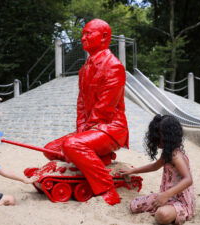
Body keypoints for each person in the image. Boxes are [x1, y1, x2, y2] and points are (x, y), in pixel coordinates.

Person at [42, 19, 128, 205]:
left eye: (88, 33)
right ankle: (97, 158)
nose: (83, 37)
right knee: (50, 149)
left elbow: (104, 108)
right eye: (83, 34)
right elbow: (81, 104)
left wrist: (82, 135)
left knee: (72, 145)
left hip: (110, 128)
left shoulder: (114, 66)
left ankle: (107, 189)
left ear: (104, 37)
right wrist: (82, 129)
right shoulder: (84, 68)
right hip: (91, 129)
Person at [121, 115, 195, 225]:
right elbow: (154, 166)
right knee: (134, 205)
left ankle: (178, 213)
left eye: (158, 135)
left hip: (180, 202)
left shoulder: (176, 156)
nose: (155, 139)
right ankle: (169, 211)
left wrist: (166, 195)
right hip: (165, 197)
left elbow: (188, 179)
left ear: (168, 136)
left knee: (161, 216)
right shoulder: (167, 153)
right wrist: (133, 171)